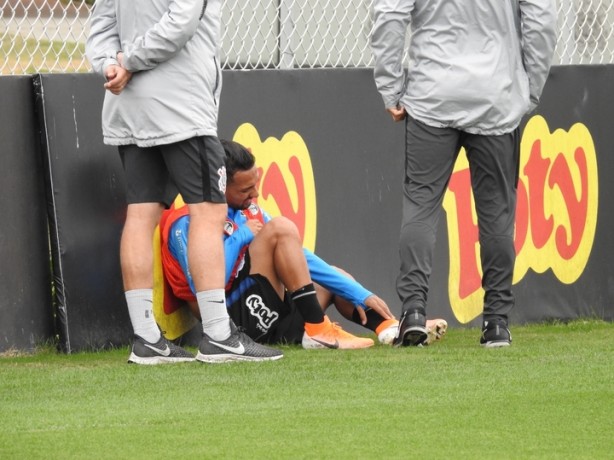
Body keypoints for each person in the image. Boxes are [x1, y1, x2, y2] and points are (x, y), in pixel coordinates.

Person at [85, 1, 283, 364]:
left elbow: (99, 27)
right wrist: (127, 63)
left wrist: (111, 65)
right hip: (181, 108)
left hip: (129, 109)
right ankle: (219, 334)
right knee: (209, 211)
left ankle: (146, 339)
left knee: (141, 215)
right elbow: (180, 24)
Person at [370, 0, 557, 347]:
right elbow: (541, 18)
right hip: (496, 97)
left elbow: (390, 13)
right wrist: (530, 87)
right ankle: (497, 323)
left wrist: (390, 85)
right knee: (497, 213)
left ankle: (413, 313)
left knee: (421, 207)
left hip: (432, 94)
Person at [160, 139, 449, 349]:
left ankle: (391, 329)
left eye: (255, 186)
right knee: (280, 228)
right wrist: (241, 235)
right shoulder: (184, 223)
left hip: (269, 313)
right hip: (233, 323)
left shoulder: (246, 211)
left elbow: (302, 257)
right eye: (246, 190)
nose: (254, 195)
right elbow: (207, 284)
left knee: (333, 278)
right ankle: (318, 329)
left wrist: (362, 293)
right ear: (220, 185)